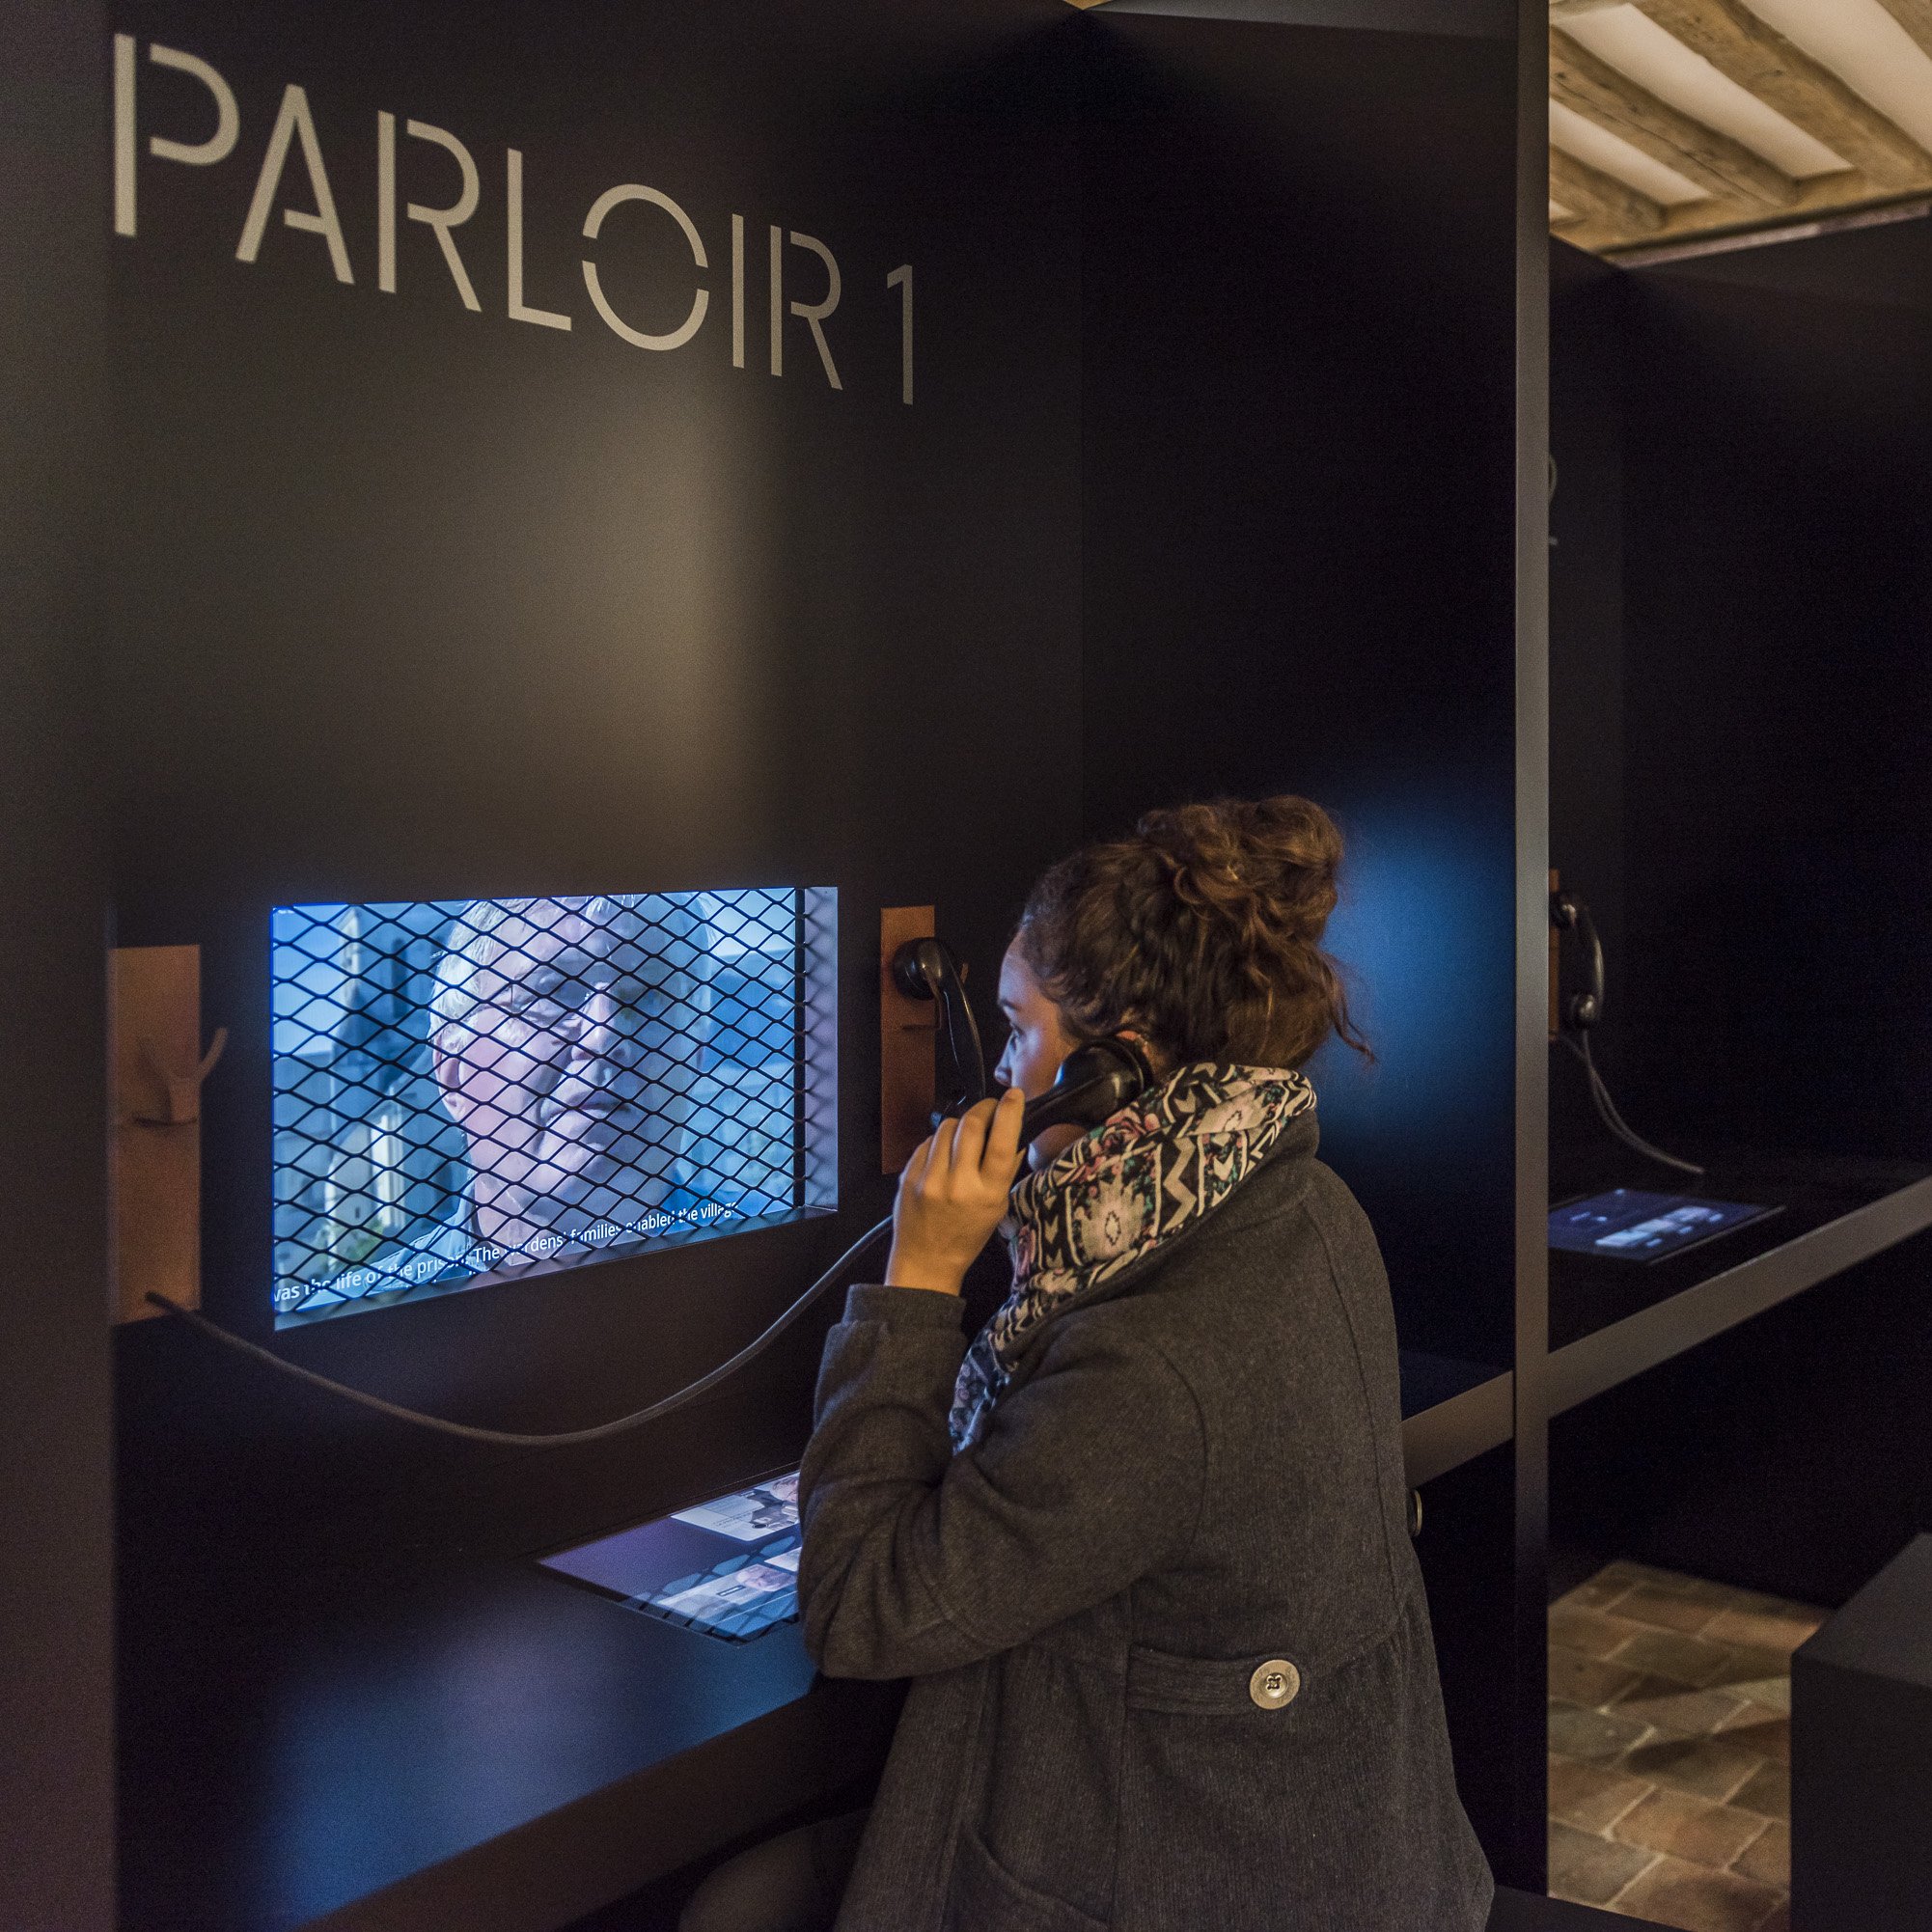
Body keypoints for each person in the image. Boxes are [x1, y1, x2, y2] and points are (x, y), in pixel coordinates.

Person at [680, 796, 1495, 1932]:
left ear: (1117, 1069)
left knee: (738, 1908)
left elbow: (863, 1604)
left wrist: (917, 1279)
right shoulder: (1300, 1198)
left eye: (1018, 1033)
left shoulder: (1148, 1364)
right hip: (1319, 1845)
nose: (1003, 1078)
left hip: (1196, 1880)